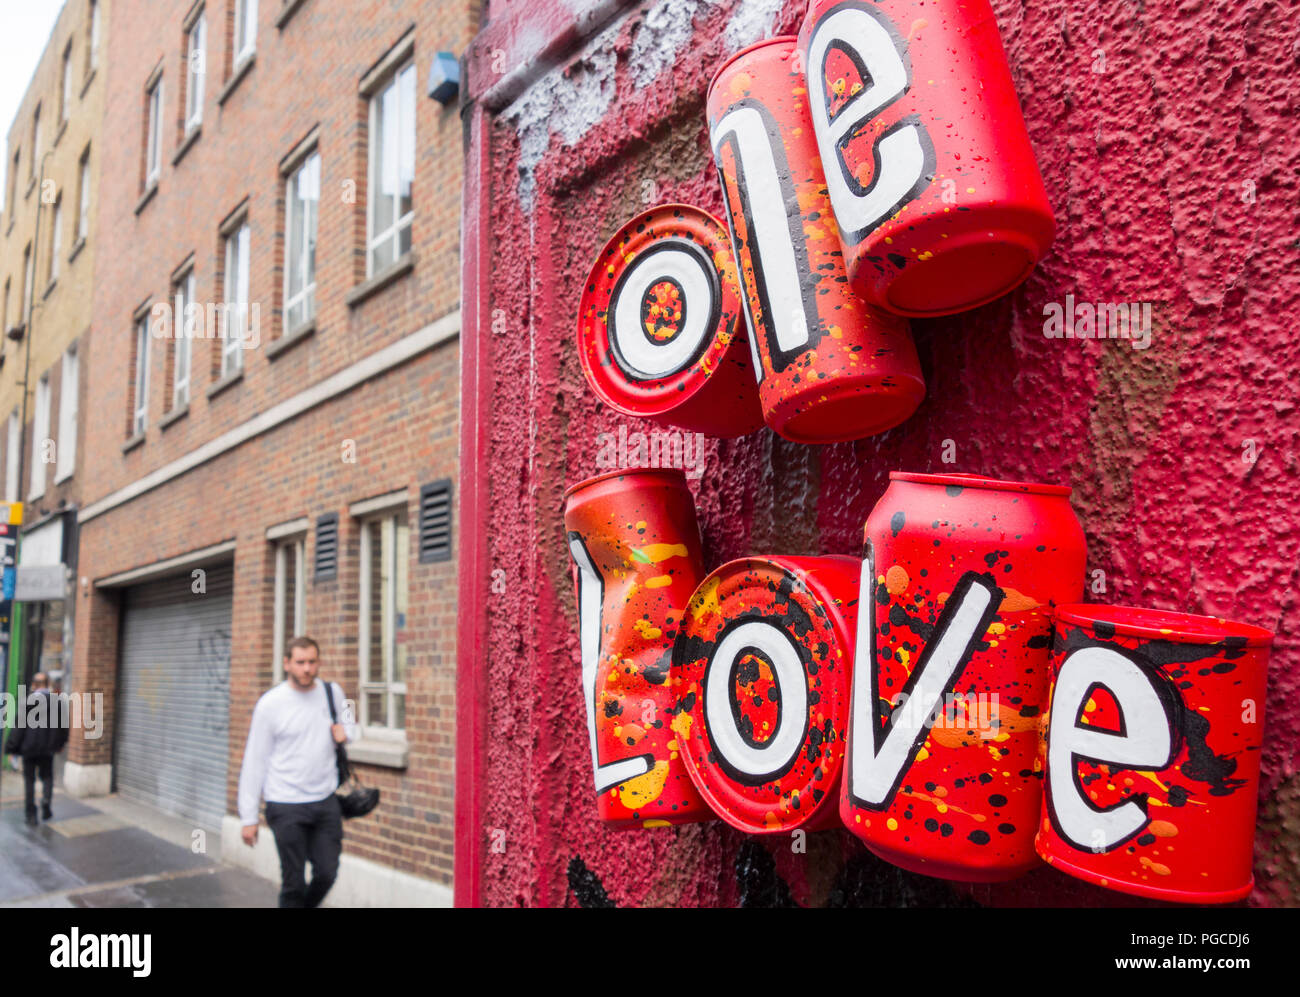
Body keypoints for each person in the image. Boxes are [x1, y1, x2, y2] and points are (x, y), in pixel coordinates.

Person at [238, 636, 356, 908]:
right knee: (294, 882)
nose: (307, 669)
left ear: (319, 662)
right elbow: (255, 760)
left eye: (312, 662)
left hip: (325, 800)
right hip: (285, 803)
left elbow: (351, 723)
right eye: (300, 662)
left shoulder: (333, 692)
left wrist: (346, 733)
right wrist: (248, 816)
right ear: (287, 663)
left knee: (327, 872)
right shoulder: (270, 704)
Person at [4, 672, 69, 826]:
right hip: (48, 749)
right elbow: (63, 727)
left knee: (29, 781)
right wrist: (60, 745)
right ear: (47, 684)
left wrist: (11, 748)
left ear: (34, 684)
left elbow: (18, 728)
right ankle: (46, 801)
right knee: (47, 777)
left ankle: (31, 815)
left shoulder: (27, 701)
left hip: (29, 748)